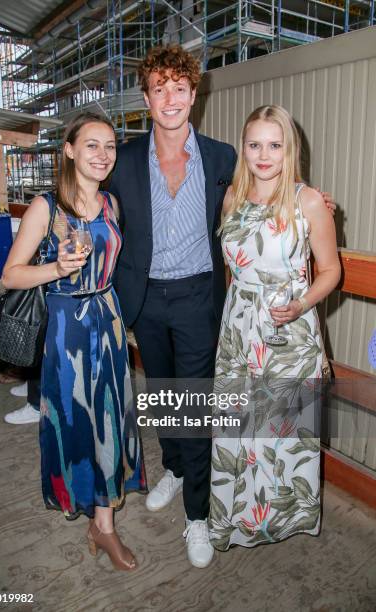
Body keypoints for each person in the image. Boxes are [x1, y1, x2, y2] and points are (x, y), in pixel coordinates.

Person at [109, 45, 336, 568]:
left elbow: (274, 190)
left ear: (194, 95)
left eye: (180, 88)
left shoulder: (218, 158)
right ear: (146, 98)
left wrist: (314, 203)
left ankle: (197, 518)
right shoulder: (122, 160)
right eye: (159, 88)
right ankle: (175, 468)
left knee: (195, 404)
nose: (170, 98)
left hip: (200, 299)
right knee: (162, 393)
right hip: (145, 299)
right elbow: (91, 201)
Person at [2, 112, 146, 571]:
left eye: (109, 146)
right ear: (68, 149)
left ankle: (103, 524)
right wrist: (56, 270)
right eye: (91, 145)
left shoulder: (111, 205)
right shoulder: (46, 207)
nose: (103, 155)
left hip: (107, 318)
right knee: (77, 420)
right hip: (66, 328)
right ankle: (94, 517)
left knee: (110, 418)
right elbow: (9, 275)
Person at [208, 105, 341, 550]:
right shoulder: (231, 199)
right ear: (243, 149)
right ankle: (235, 523)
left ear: (289, 149)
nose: (264, 155)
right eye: (254, 145)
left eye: (274, 145)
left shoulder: (307, 201)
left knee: (281, 440)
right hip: (238, 331)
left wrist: (302, 302)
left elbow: (331, 271)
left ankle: (277, 522)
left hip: (289, 333)